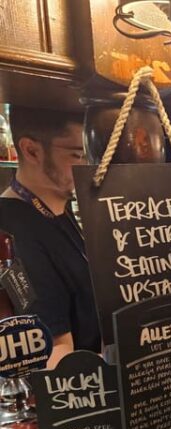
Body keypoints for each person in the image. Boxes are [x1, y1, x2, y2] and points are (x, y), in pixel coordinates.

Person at [0, 106, 98, 368]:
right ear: (31, 150)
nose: (88, 166)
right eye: (78, 154)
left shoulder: (56, 210)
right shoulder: (12, 230)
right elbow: (53, 357)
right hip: (79, 398)